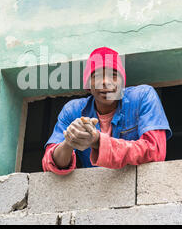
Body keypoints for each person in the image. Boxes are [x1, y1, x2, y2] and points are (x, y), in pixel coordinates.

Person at [42, 47, 172, 174]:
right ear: (88, 84)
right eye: (97, 76)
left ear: (122, 81)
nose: (106, 82)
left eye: (114, 75)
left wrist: (97, 141)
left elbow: (156, 152)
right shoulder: (72, 111)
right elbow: (50, 164)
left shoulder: (143, 96)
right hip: (94, 191)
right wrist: (69, 141)